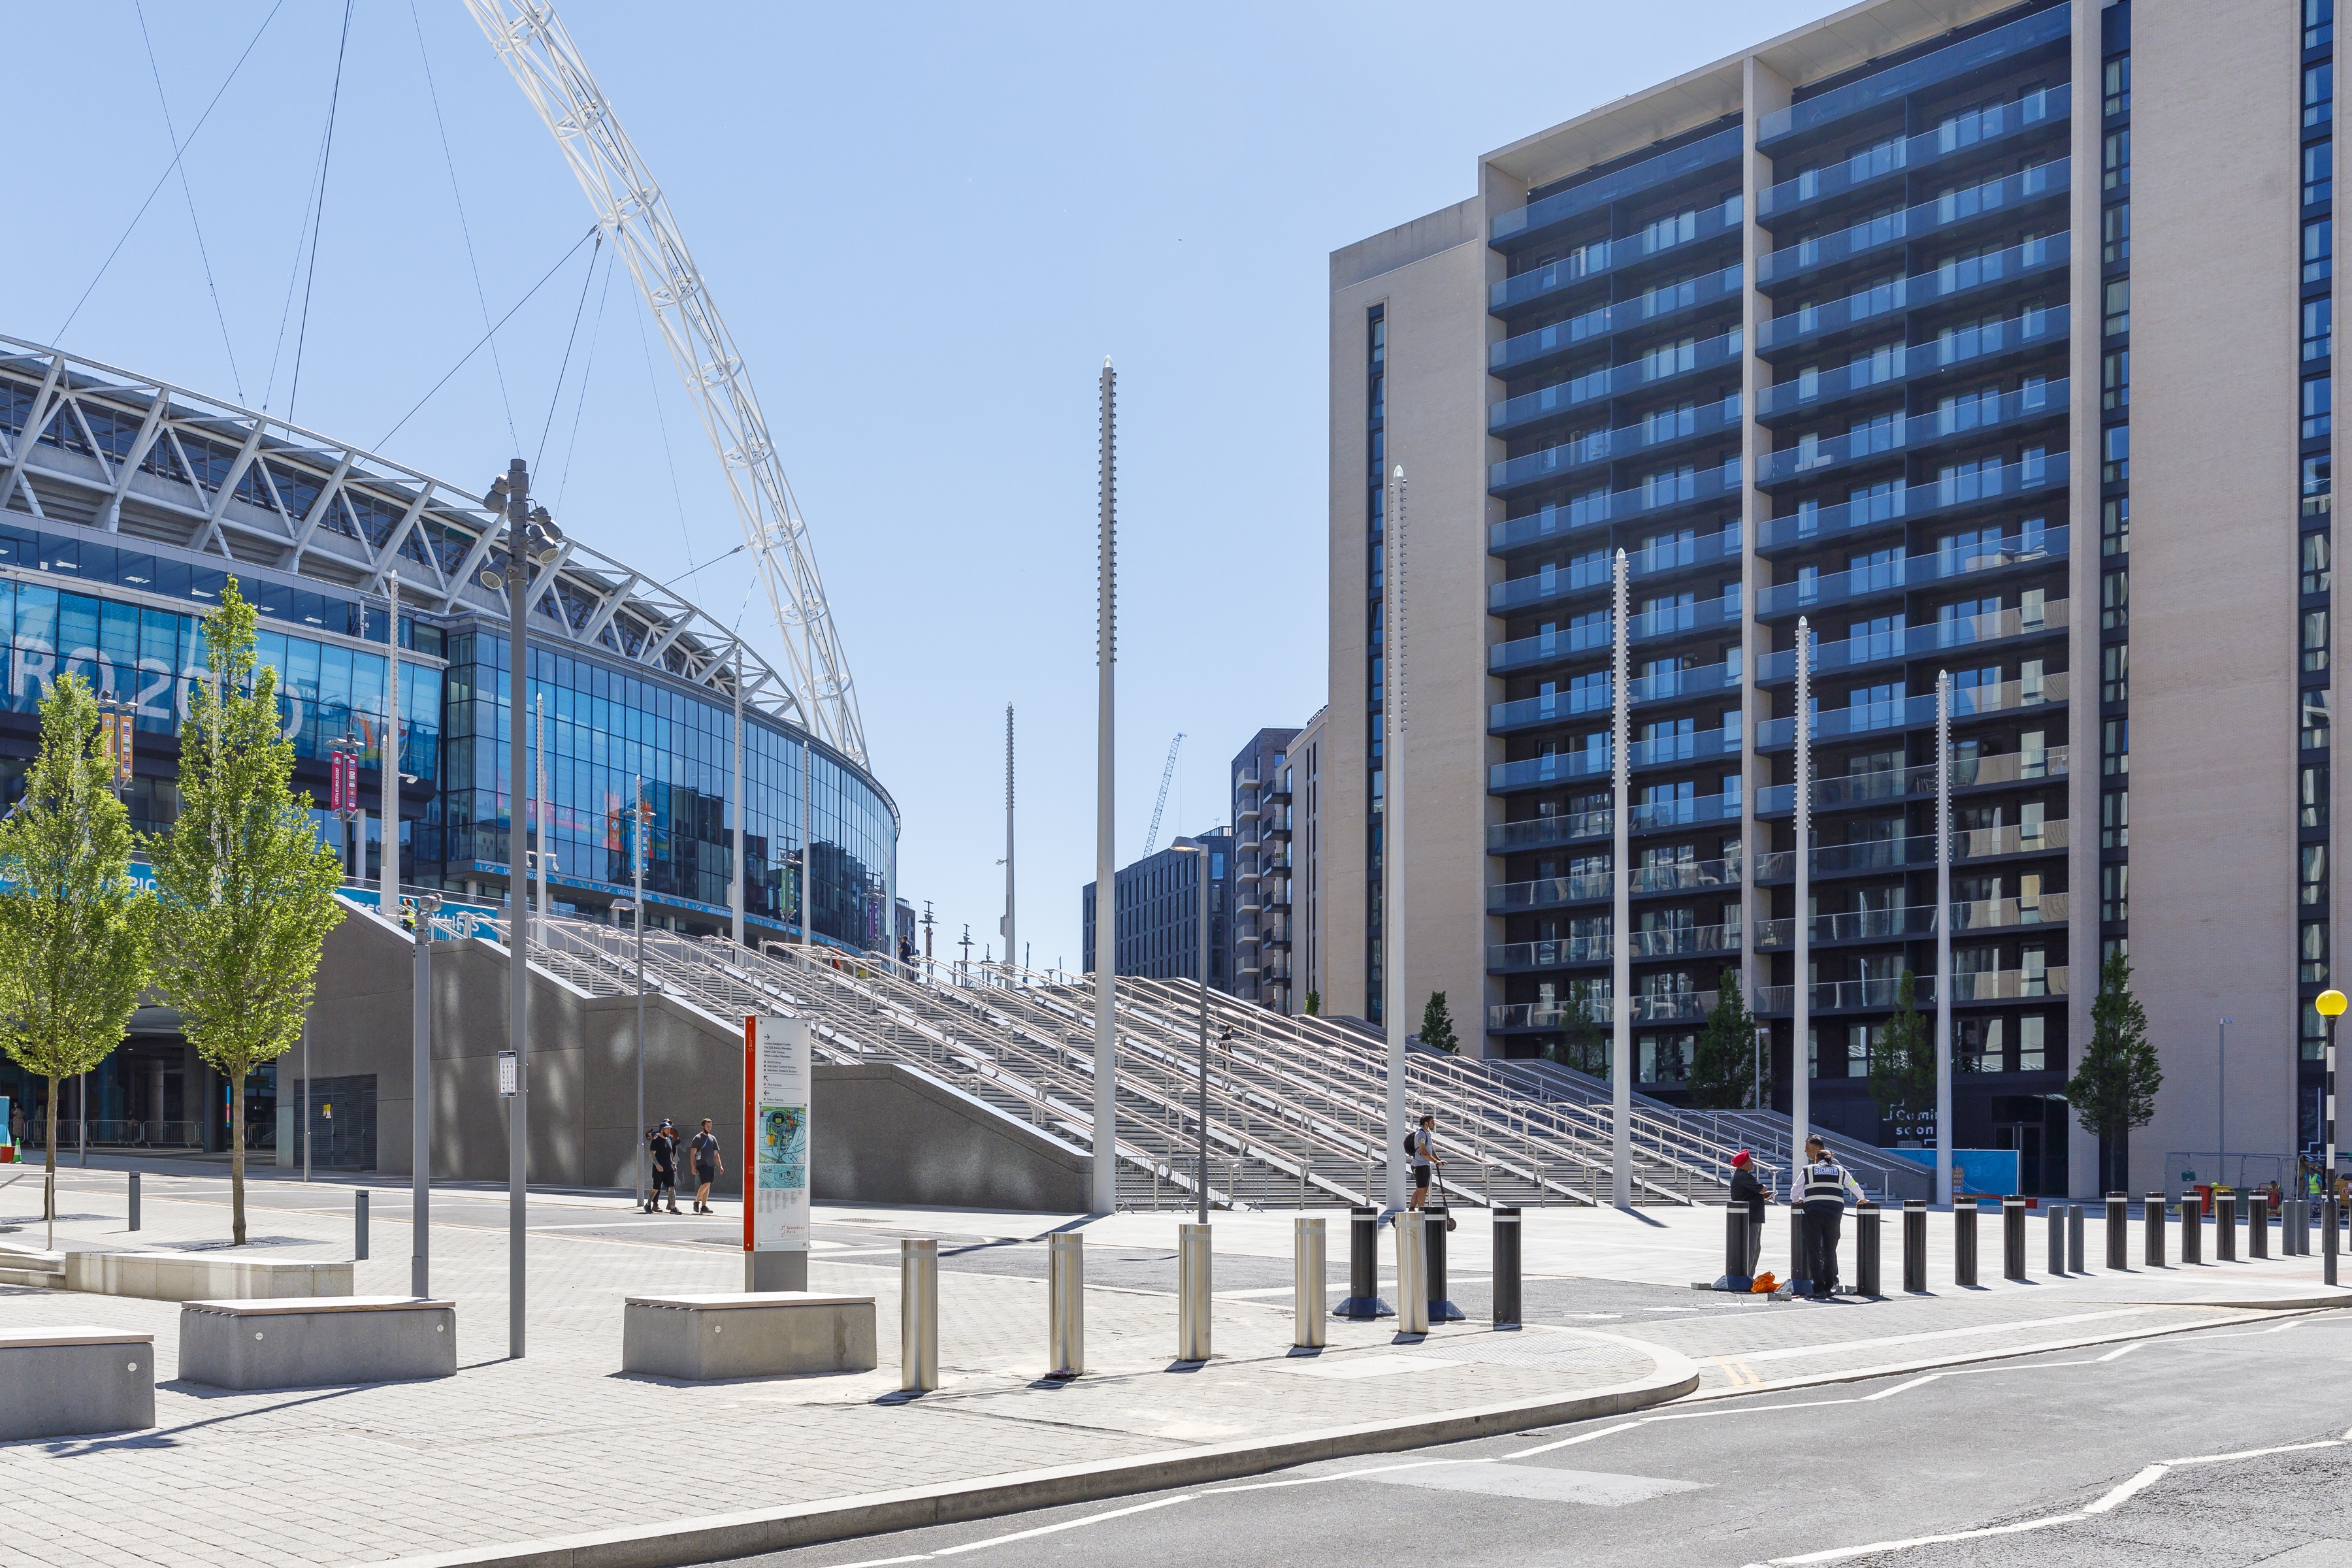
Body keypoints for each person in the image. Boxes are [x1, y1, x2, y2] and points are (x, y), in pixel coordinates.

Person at [1797, 1135, 1865, 1301]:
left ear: (1816, 1154)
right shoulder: (1839, 1169)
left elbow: (1795, 1189)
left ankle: (1818, 1288)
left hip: (1813, 1212)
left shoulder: (1809, 1169)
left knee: (1814, 1250)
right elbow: (1853, 1184)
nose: (1805, 1151)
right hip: (1834, 1214)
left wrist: (1796, 1200)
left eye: (1807, 1148)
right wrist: (1862, 1199)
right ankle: (1829, 1286)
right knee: (1830, 1250)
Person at [1729, 1149, 1769, 1277]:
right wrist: (1764, 1189)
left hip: (1752, 1217)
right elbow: (1761, 1189)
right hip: (1751, 1218)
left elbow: (1749, 1193)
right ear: (1744, 1163)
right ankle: (1748, 1275)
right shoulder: (1744, 1176)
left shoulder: (1741, 1176)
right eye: (1750, 1161)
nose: (1753, 1163)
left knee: (1755, 1247)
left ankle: (1749, 1275)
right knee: (1752, 1248)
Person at [689, 1117, 724, 1215]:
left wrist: (720, 1165)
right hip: (701, 1164)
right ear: (703, 1126)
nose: (709, 1128)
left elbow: (716, 1154)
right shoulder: (697, 1138)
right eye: (707, 1126)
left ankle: (704, 1206)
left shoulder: (713, 1138)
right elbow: (693, 1153)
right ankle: (696, 1202)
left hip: (711, 1165)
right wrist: (693, 1166)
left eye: (710, 1126)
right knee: (706, 1183)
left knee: (708, 1185)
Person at [645, 1119, 681, 1215]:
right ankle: (648, 1204)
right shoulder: (656, 1140)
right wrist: (657, 1165)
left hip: (669, 1168)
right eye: (667, 1129)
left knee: (671, 1187)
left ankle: (673, 1208)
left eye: (670, 1129)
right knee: (656, 1187)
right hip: (659, 1169)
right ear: (662, 1130)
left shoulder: (669, 1139)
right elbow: (652, 1154)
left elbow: (671, 1153)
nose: (669, 1131)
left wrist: (674, 1163)